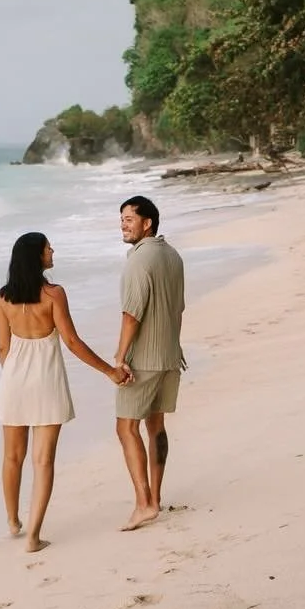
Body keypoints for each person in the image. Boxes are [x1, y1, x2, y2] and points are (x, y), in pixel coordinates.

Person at [0, 230, 127, 552]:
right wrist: (110, 371)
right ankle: (33, 536)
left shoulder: (3, 297)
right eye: (47, 248)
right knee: (43, 461)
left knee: (12, 456)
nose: (52, 251)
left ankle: (13, 520)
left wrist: (14, 376)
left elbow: (2, 347)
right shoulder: (54, 294)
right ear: (36, 257)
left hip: (13, 380)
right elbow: (71, 341)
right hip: (46, 380)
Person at [112, 194, 186, 531]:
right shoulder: (172, 255)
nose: (123, 225)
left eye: (129, 219)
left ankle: (143, 504)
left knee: (125, 427)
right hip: (170, 356)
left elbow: (132, 314)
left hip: (144, 359)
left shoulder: (139, 261)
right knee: (156, 426)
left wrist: (120, 356)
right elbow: (178, 308)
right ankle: (155, 499)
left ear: (148, 223)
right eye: (122, 219)